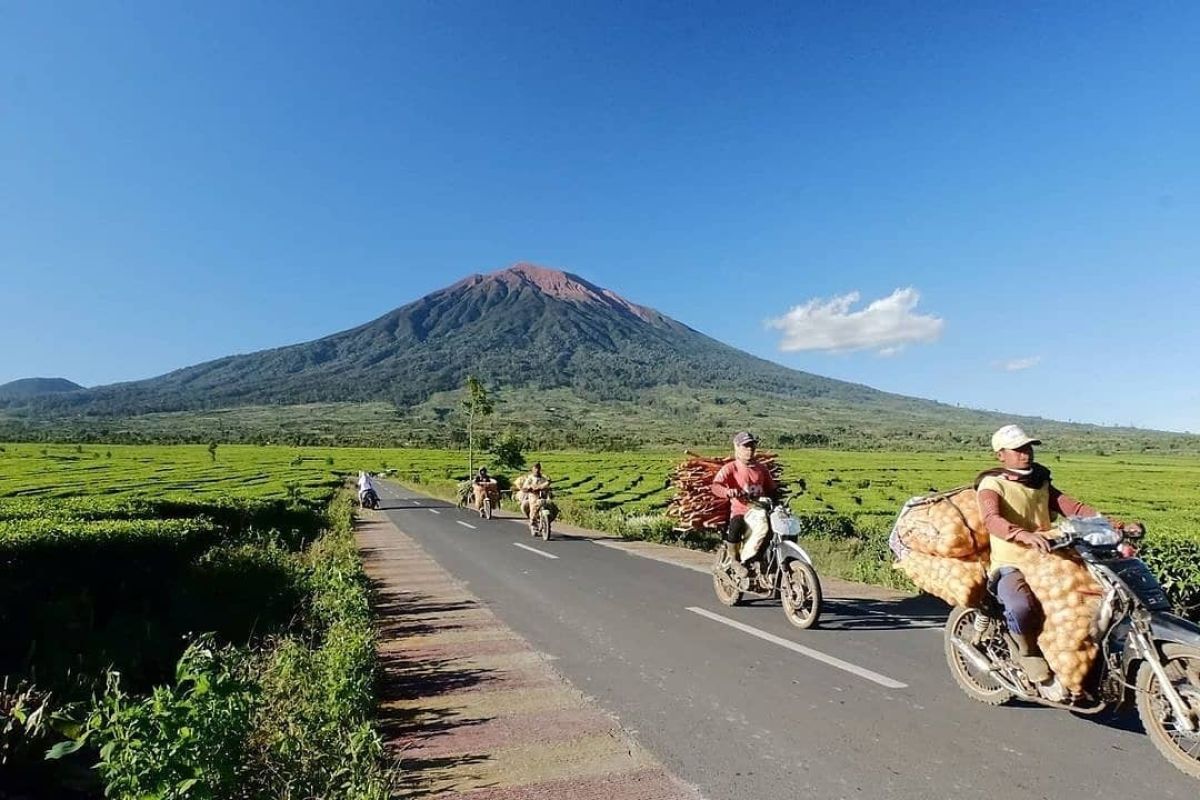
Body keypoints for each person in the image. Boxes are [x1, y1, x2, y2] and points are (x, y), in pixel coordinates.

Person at [975, 424, 1107, 686]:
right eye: (1018, 449)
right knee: (1020, 605)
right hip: (1012, 561)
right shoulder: (992, 484)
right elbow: (991, 519)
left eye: (1028, 448)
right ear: (1001, 455)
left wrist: (1111, 524)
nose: (1026, 454)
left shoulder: (1040, 481)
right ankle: (1027, 652)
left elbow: (1073, 507)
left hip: (1048, 558)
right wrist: (1022, 535)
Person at [711, 432, 778, 579]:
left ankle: (758, 560)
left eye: (752, 446)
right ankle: (734, 561)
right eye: (746, 446)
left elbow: (772, 489)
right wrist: (728, 492)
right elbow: (716, 486)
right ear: (736, 447)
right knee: (736, 525)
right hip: (741, 511)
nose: (750, 450)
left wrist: (777, 503)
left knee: (772, 532)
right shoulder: (731, 468)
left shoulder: (761, 469)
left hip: (760, 511)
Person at [518, 462, 552, 534]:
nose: (537, 470)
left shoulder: (544, 478)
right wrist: (529, 487)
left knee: (551, 506)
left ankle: (547, 521)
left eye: (538, 468)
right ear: (532, 470)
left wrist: (548, 484)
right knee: (534, 507)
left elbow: (547, 485)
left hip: (543, 495)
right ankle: (533, 525)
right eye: (535, 469)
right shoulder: (530, 478)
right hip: (533, 495)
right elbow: (525, 486)